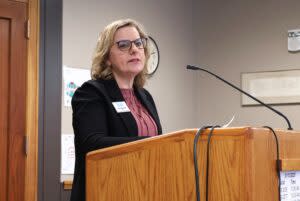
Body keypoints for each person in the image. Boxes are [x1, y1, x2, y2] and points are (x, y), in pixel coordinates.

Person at [70, 19, 162, 201]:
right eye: (123, 45)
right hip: (106, 191)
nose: (134, 49)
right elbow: (92, 143)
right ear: (107, 58)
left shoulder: (145, 97)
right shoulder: (91, 92)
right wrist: (151, 143)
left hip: (144, 191)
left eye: (138, 43)